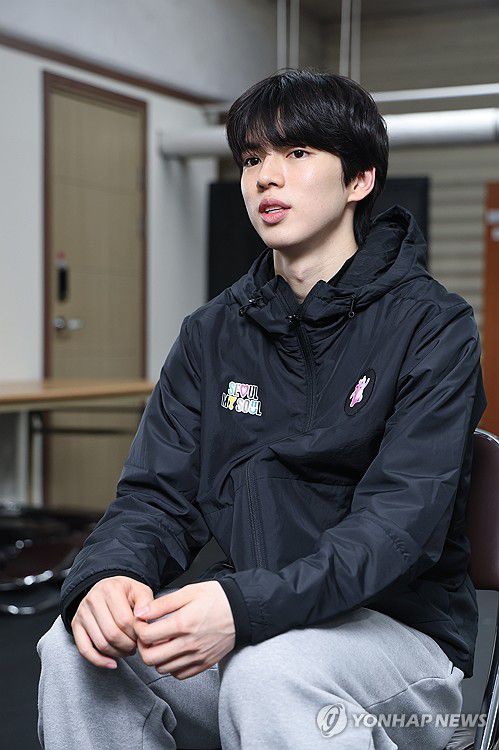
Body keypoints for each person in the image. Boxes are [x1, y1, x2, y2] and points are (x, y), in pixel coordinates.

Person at [37, 68, 487, 750]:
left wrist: (243, 608)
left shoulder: (432, 326)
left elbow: (397, 527)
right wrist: (109, 574)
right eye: (251, 159)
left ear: (360, 179)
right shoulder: (211, 334)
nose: (265, 178)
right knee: (77, 648)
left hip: (399, 640)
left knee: (270, 673)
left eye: (296, 153)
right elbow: (154, 496)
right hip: (255, 624)